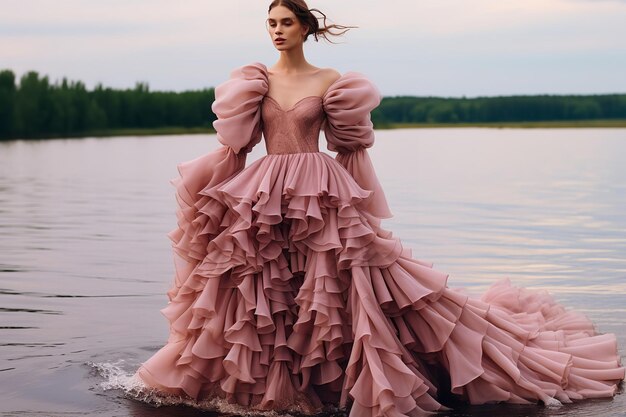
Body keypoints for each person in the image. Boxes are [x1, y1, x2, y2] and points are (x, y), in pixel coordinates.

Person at [133, 1, 625, 415]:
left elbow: (351, 147)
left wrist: (356, 202)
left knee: (342, 285)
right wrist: (210, 196)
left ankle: (356, 376)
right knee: (264, 290)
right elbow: (236, 148)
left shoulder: (333, 81)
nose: (277, 31)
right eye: (271, 23)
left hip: (321, 189)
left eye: (285, 22)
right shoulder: (253, 81)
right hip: (264, 195)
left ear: (307, 27)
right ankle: (279, 382)